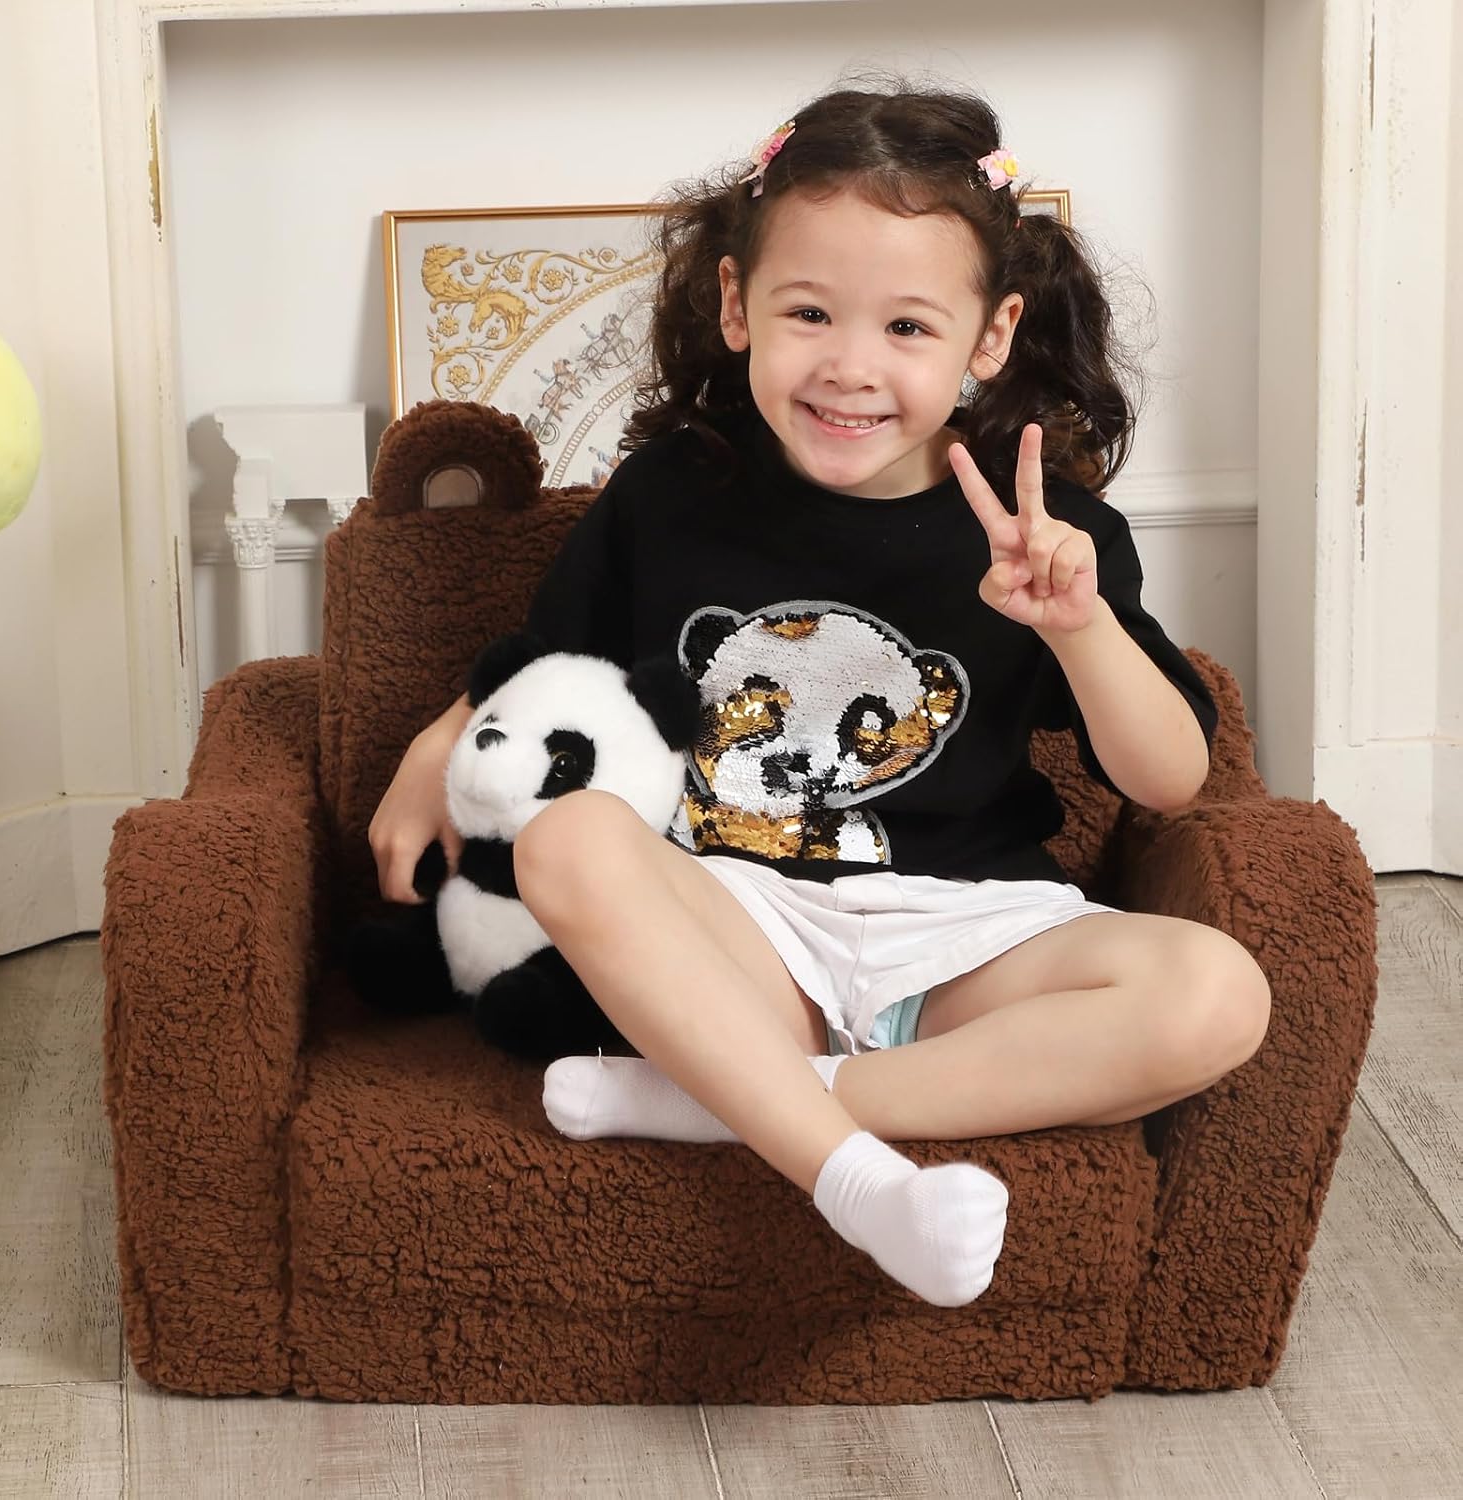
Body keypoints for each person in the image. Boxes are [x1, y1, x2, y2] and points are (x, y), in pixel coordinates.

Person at [369, 85, 1272, 1308]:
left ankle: (731, 1106)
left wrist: (1082, 624)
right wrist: (437, 744)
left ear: (989, 338)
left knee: (1222, 992)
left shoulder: (1054, 529)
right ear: (738, 306)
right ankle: (853, 1174)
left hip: (970, 938)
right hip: (741, 931)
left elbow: (1174, 778)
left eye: (908, 327)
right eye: (809, 312)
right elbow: (550, 658)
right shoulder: (673, 492)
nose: (851, 367)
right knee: (573, 836)